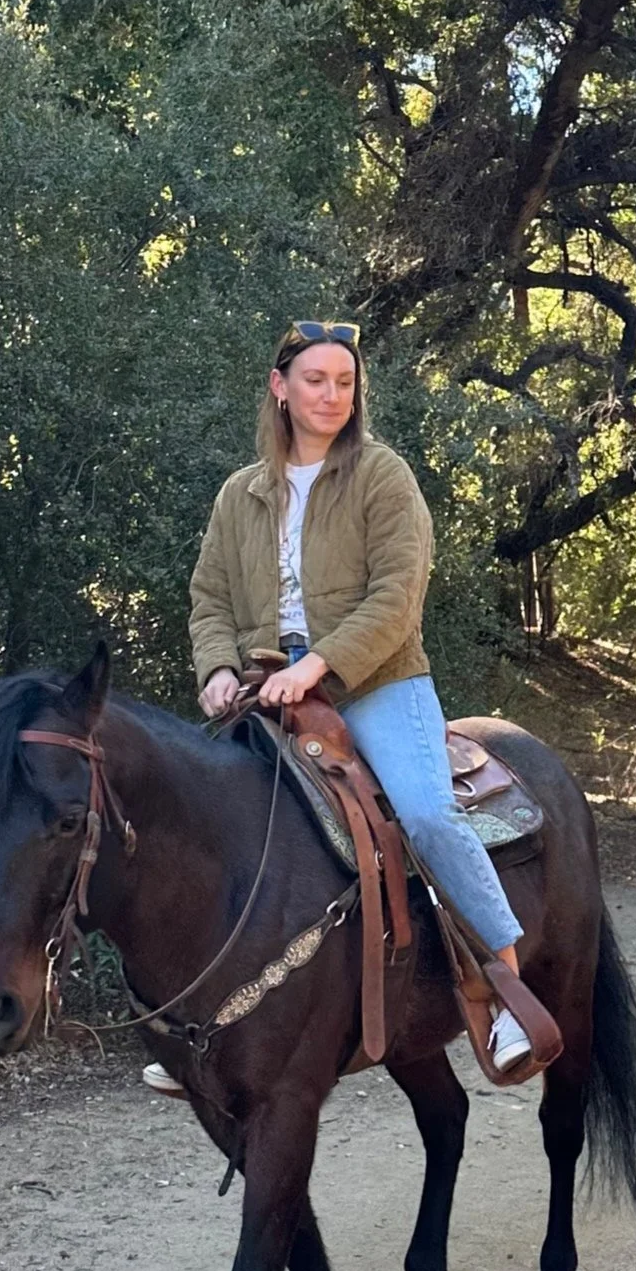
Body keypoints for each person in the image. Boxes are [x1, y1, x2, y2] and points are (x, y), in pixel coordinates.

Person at [142, 317, 532, 1095]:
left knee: (424, 813)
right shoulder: (239, 494)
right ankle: (194, 1023)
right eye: (315, 380)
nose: (331, 395)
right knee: (179, 819)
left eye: (344, 383)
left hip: (376, 684)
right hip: (264, 690)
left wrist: (319, 663)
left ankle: (508, 987)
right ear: (280, 388)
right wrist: (217, 668)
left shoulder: (381, 476)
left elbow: (396, 596)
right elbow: (209, 596)